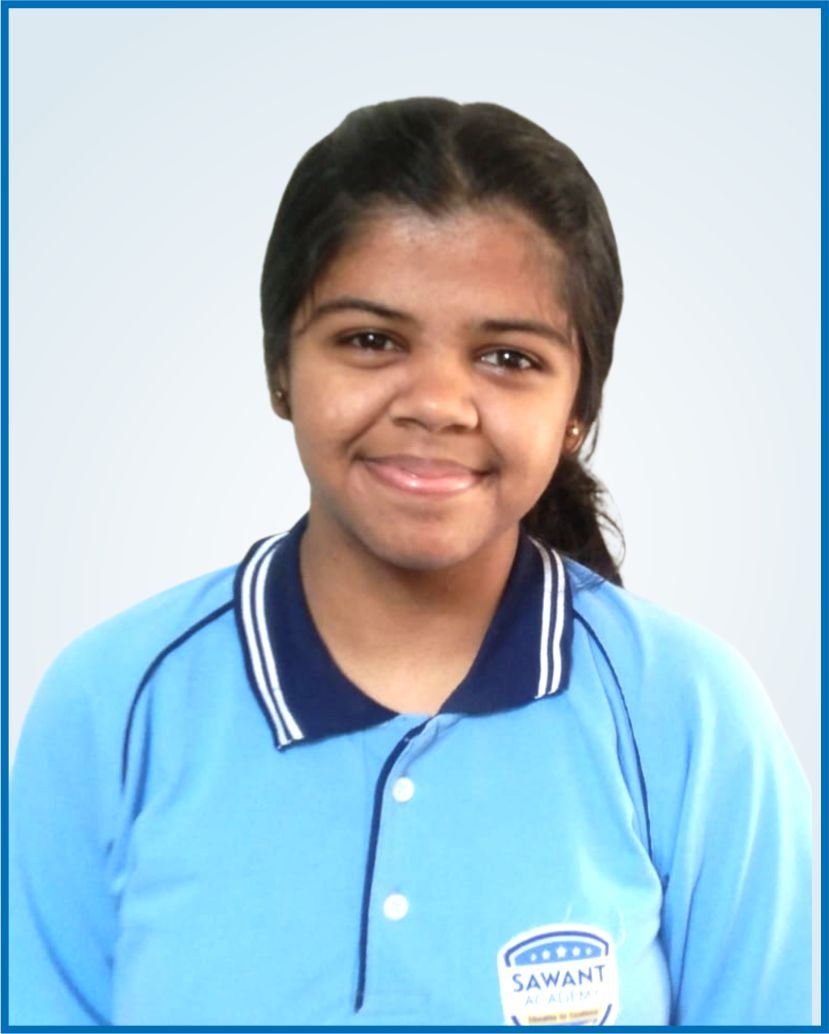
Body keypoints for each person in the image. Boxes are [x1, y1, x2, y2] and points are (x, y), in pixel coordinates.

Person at [10, 97, 811, 1027]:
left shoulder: (688, 712)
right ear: (280, 367)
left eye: (507, 357)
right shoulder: (112, 702)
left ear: (577, 411)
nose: (436, 402)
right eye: (370, 340)